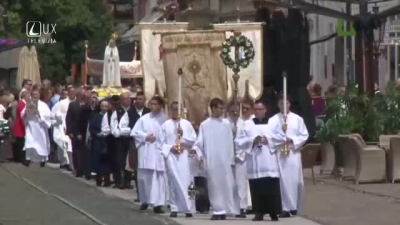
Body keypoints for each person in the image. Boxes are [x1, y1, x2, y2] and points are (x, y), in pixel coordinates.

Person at [192, 98, 239, 220]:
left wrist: (235, 131)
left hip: (225, 160)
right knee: (214, 186)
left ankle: (225, 210)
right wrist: (199, 154)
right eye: (220, 108)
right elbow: (199, 143)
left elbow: (232, 140)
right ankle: (217, 210)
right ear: (213, 108)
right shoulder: (205, 125)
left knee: (226, 185)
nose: (222, 111)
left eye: (223, 108)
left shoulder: (227, 123)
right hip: (212, 159)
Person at [236, 100, 283, 221]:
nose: (258, 112)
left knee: (271, 186)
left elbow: (281, 137)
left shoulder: (273, 123)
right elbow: (239, 141)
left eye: (260, 109)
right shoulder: (248, 124)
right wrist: (252, 140)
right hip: (255, 161)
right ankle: (259, 212)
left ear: (265, 110)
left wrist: (269, 140)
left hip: (269, 160)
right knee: (257, 186)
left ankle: (273, 212)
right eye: (256, 109)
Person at [268, 94, 309, 217]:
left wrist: (292, 140)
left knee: (295, 180)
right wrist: (281, 139)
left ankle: (294, 207)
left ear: (289, 104)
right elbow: (269, 135)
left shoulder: (297, 119)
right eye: (281, 103)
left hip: (293, 153)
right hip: (279, 154)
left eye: (285, 103)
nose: (283, 105)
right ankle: (284, 207)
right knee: (282, 181)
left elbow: (304, 135)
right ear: (278, 105)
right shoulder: (273, 120)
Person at [158, 102, 196, 218]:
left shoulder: (186, 124)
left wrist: (183, 136)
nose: (176, 112)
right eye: (173, 109)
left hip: (183, 156)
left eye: (177, 110)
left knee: (185, 181)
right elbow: (160, 143)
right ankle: (174, 207)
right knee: (174, 181)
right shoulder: (165, 125)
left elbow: (193, 140)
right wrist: (171, 148)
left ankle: (187, 208)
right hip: (171, 156)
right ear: (170, 110)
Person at [131, 96, 168, 214]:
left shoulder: (165, 119)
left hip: (159, 151)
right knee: (145, 178)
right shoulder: (144, 119)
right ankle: (145, 200)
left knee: (159, 179)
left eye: (156, 104)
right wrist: (145, 137)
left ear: (161, 106)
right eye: (151, 104)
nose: (153, 106)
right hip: (146, 150)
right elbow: (135, 132)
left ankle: (158, 204)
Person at [110, 92, 139, 189]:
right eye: (125, 99)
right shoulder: (117, 112)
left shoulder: (134, 111)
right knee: (119, 160)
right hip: (120, 140)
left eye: (129, 98)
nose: (128, 100)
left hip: (131, 139)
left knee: (130, 160)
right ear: (121, 100)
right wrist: (118, 133)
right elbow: (113, 126)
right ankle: (119, 181)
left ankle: (128, 181)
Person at [227, 102, 250, 218]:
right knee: (230, 183)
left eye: (236, 111)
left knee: (241, 183)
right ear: (228, 112)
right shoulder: (225, 123)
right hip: (228, 157)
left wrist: (243, 153)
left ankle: (241, 207)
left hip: (241, 157)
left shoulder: (244, 124)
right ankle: (230, 207)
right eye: (232, 111)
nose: (235, 113)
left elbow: (247, 140)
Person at [22, 89, 52, 167]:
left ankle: (43, 160)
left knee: (41, 144)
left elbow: (48, 116)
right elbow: (22, 114)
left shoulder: (43, 105)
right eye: (33, 94)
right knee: (29, 142)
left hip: (40, 127)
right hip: (31, 127)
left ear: (39, 95)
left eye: (36, 94)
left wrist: (39, 114)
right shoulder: (28, 103)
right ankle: (27, 159)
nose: (35, 96)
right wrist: (25, 112)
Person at [129, 91, 150, 201]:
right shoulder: (130, 112)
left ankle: (149, 195)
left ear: (144, 100)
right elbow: (126, 127)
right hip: (135, 143)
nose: (138, 101)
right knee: (137, 168)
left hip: (149, 144)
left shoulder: (149, 112)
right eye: (136, 99)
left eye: (140, 99)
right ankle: (140, 194)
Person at [89, 100, 112, 187]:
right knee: (98, 159)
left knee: (107, 161)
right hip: (98, 140)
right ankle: (99, 178)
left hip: (108, 140)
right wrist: (96, 134)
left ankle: (107, 179)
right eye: (103, 106)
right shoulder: (96, 116)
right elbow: (91, 128)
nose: (105, 108)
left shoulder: (110, 116)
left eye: (106, 106)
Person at [66, 88, 87, 177]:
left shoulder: (87, 104)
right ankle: (77, 169)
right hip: (75, 131)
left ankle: (84, 169)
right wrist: (70, 131)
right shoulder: (72, 105)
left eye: (84, 94)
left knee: (84, 151)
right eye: (81, 94)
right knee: (76, 151)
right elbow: (69, 119)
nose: (83, 96)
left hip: (85, 131)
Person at [79, 93, 99, 179]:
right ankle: (86, 172)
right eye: (92, 100)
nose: (94, 102)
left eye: (95, 101)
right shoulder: (84, 110)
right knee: (86, 153)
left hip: (96, 135)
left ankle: (94, 171)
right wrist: (79, 133)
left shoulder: (98, 111)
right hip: (86, 134)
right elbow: (79, 122)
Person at [12, 90, 29, 163]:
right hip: (20, 127)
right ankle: (20, 159)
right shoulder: (22, 103)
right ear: (25, 96)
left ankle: (19, 158)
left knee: (20, 143)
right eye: (28, 96)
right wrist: (25, 125)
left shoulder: (22, 103)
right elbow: (22, 116)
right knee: (20, 143)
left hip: (19, 127)